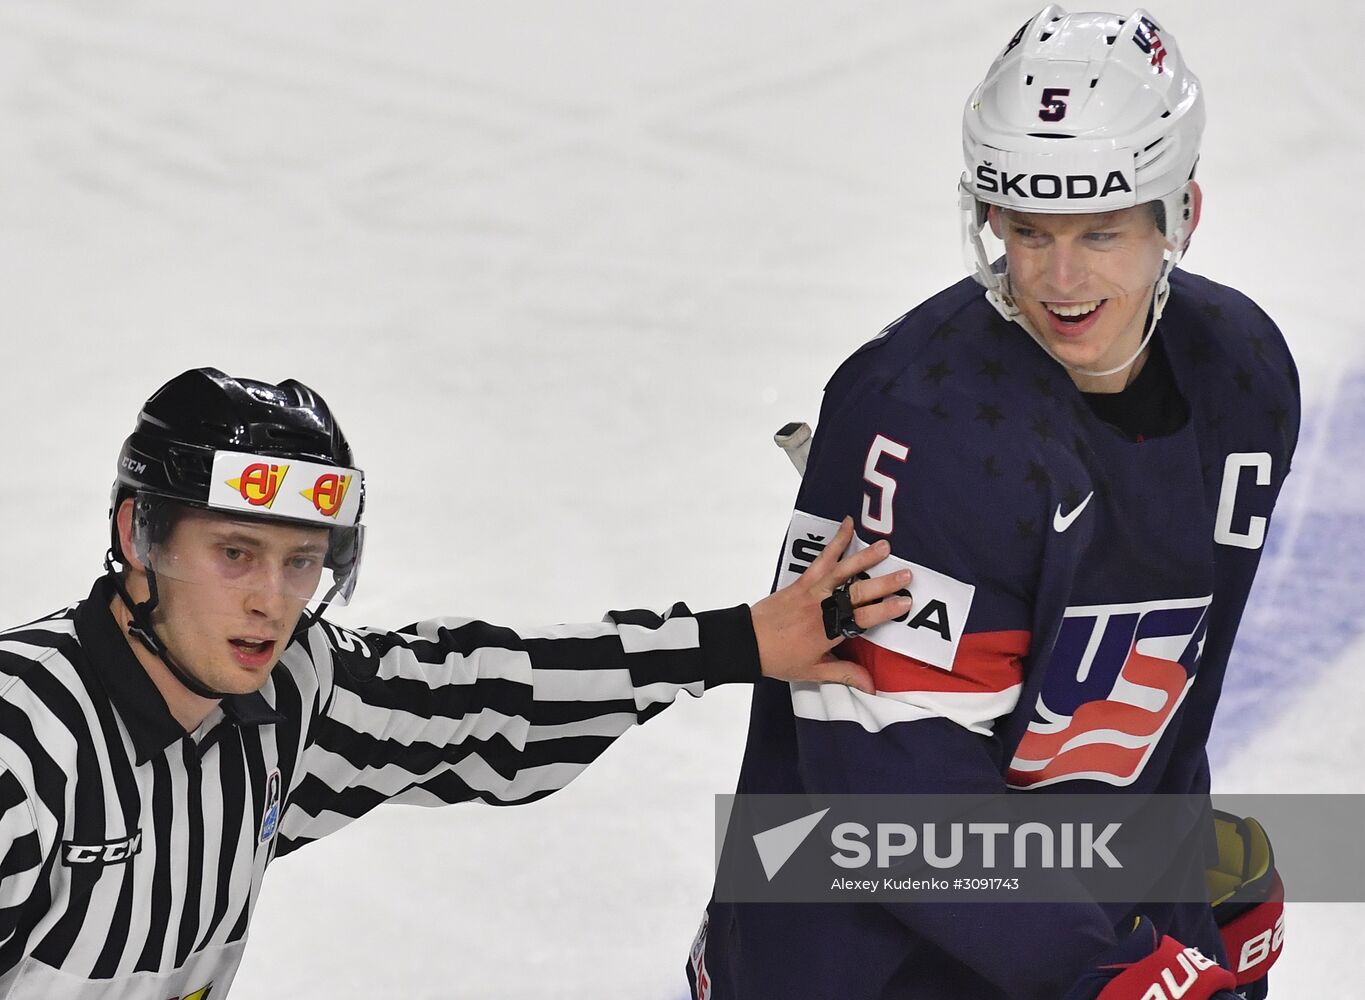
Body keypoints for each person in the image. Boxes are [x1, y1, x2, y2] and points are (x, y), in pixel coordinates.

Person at [689, 7, 1296, 1000]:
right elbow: (885, 804)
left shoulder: (1242, 375)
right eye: (1028, 229)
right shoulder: (917, 420)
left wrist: (1179, 898)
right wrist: (1104, 971)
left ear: (1179, 215)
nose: (1062, 279)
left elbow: (1168, 706)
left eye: (1101, 230)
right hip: (861, 964)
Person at [0, 366, 913, 997]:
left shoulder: (283, 701)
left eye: (300, 564)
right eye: (235, 554)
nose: (270, 604)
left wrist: (733, 644)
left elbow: (478, 702)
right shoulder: (20, 747)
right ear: (137, 538)